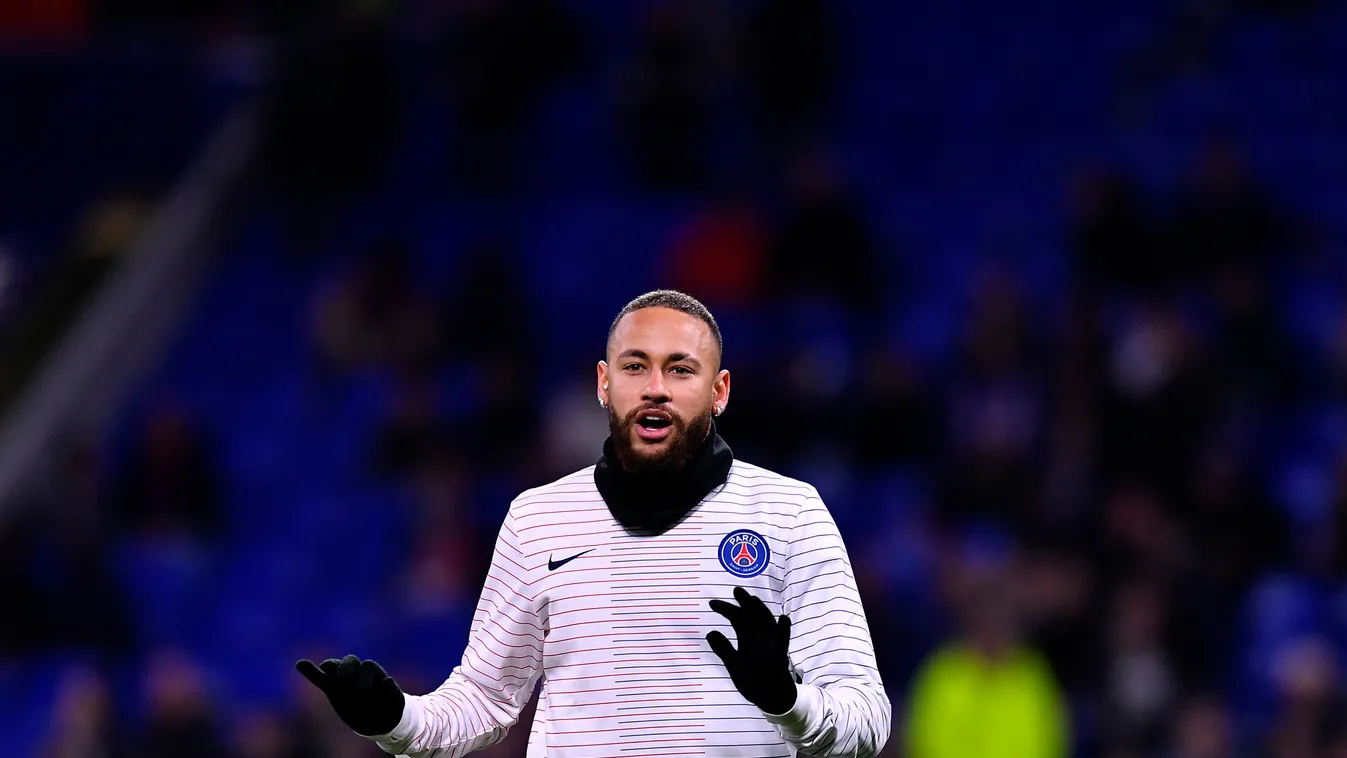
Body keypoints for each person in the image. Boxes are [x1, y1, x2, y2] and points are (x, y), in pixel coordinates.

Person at [296, 290, 891, 757]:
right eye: (636, 367)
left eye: (680, 370)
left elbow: (866, 720)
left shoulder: (788, 513)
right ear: (604, 384)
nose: (655, 389)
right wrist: (394, 719)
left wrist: (787, 700)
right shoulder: (538, 519)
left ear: (719, 391)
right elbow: (482, 702)